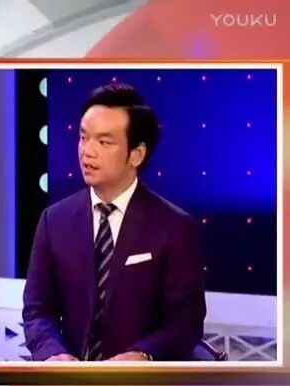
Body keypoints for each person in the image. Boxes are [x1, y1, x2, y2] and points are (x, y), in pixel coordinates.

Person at [23, 83, 206, 362]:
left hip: (142, 383)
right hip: (71, 380)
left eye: (104, 142)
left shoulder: (174, 227)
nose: (87, 152)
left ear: (137, 154)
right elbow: (38, 310)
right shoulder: (54, 221)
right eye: (84, 138)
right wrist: (53, 353)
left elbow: (185, 322)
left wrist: (143, 355)